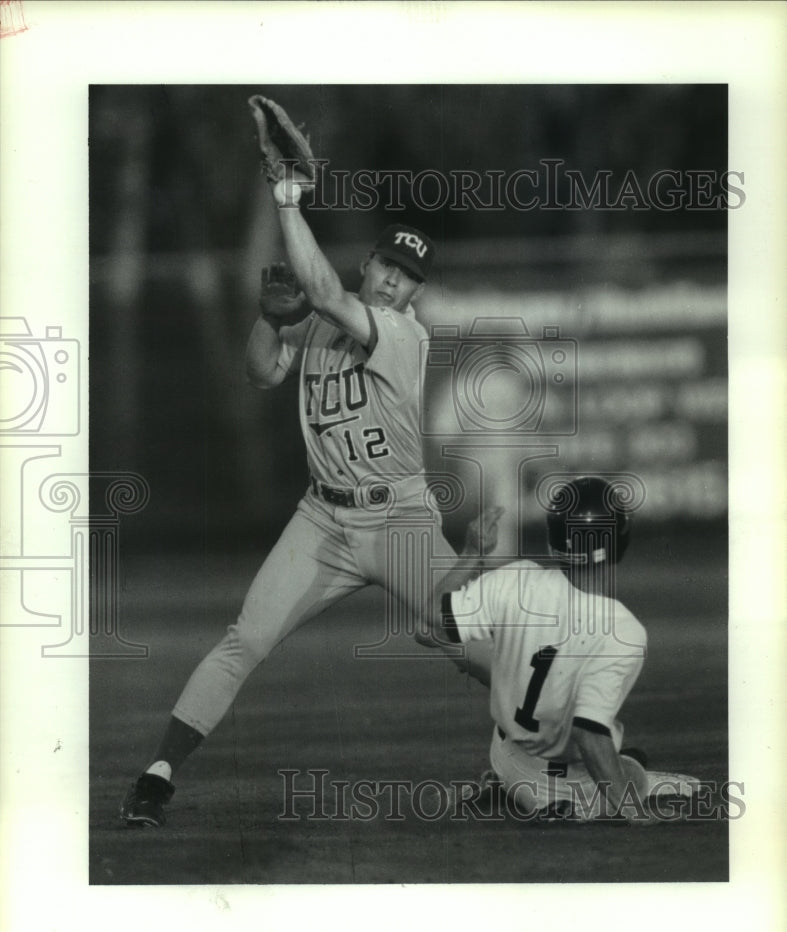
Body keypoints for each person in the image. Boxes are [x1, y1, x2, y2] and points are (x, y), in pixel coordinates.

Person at [120, 173, 459, 827]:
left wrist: (285, 199)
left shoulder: (399, 333)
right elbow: (259, 371)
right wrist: (269, 320)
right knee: (244, 638)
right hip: (323, 518)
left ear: (416, 292)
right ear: (369, 263)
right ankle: (156, 776)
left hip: (399, 519)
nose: (392, 280)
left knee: (475, 641)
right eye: (387, 264)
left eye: (406, 276)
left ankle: (582, 748)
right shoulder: (323, 329)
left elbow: (327, 293)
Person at [423, 475, 700, 822]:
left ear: (555, 539)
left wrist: (471, 553)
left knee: (623, 756)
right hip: (561, 786)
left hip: (505, 753)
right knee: (631, 771)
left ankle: (505, 787)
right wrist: (636, 813)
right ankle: (543, 800)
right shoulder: (622, 629)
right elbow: (589, 735)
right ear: (617, 542)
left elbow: (428, 623)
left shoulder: (517, 578)